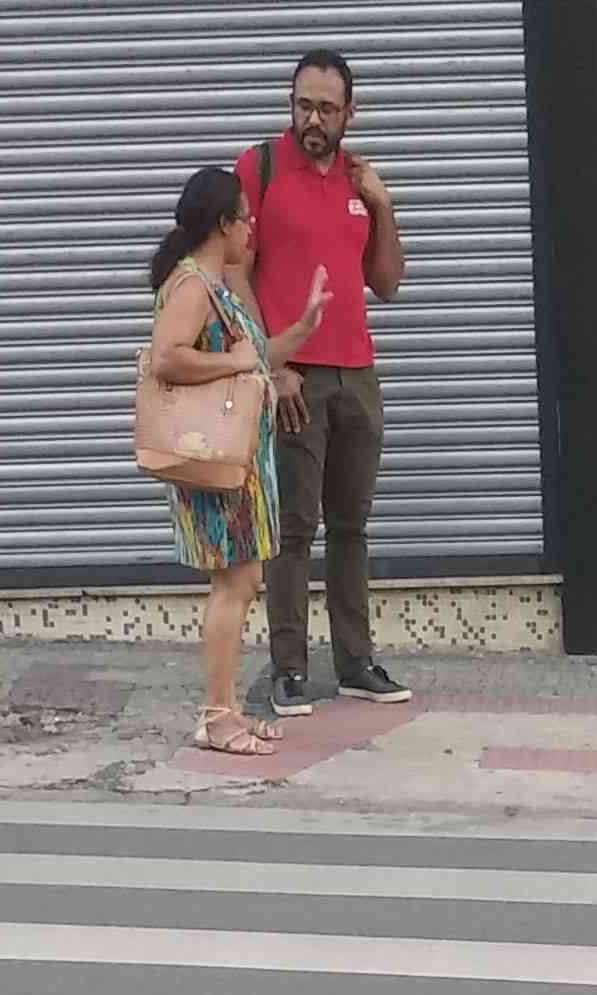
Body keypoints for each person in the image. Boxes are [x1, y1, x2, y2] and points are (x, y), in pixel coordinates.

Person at [238, 50, 410, 715]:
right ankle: (288, 670)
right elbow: (235, 274)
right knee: (293, 529)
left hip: (357, 374)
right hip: (295, 377)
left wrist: (383, 205)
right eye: (303, 106)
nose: (313, 120)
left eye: (327, 109)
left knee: (351, 526)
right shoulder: (260, 168)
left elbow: (387, 283)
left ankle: (356, 662)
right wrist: (271, 364)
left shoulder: (357, 180)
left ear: (350, 114)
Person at [143, 163, 331, 759]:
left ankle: (225, 709)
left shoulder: (214, 284)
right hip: (216, 461)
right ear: (222, 224)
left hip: (240, 461)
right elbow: (167, 358)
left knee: (243, 581)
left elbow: (256, 357)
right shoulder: (193, 285)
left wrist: (303, 327)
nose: (251, 230)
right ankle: (216, 716)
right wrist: (234, 363)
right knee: (234, 584)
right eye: (245, 220)